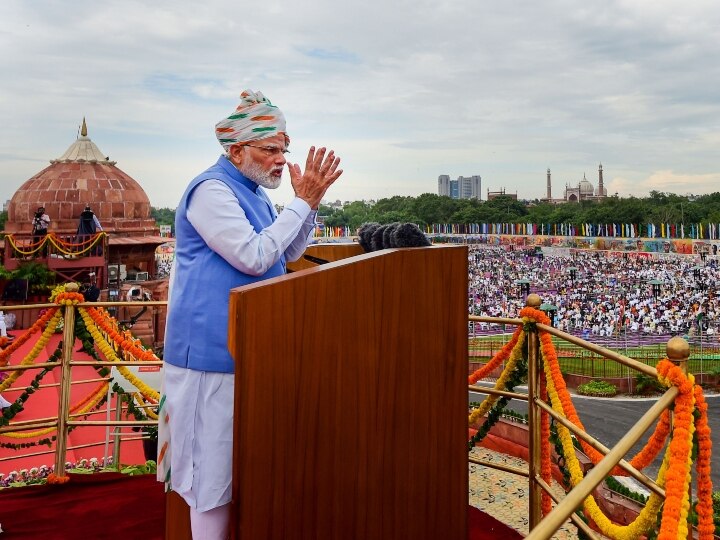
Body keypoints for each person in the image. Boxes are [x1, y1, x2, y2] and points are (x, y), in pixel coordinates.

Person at [159, 89, 342, 540]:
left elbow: (289, 251)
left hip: (251, 352)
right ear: (235, 150)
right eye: (271, 149)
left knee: (239, 471)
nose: (282, 159)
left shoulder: (254, 193)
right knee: (210, 480)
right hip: (210, 358)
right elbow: (255, 256)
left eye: (285, 149)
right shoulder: (211, 191)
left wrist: (309, 205)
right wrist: (300, 204)